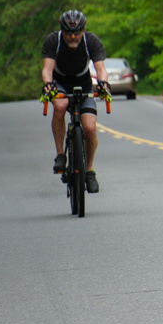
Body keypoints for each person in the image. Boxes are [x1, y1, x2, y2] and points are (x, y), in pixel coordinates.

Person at [41, 10, 110, 193]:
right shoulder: (53, 41)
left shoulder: (91, 41)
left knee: (89, 127)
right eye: (68, 32)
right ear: (61, 30)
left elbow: (101, 69)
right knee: (61, 105)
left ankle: (89, 171)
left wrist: (103, 84)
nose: (72, 37)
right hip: (60, 83)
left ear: (83, 29)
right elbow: (47, 70)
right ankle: (61, 155)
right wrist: (48, 85)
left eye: (77, 32)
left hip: (84, 85)